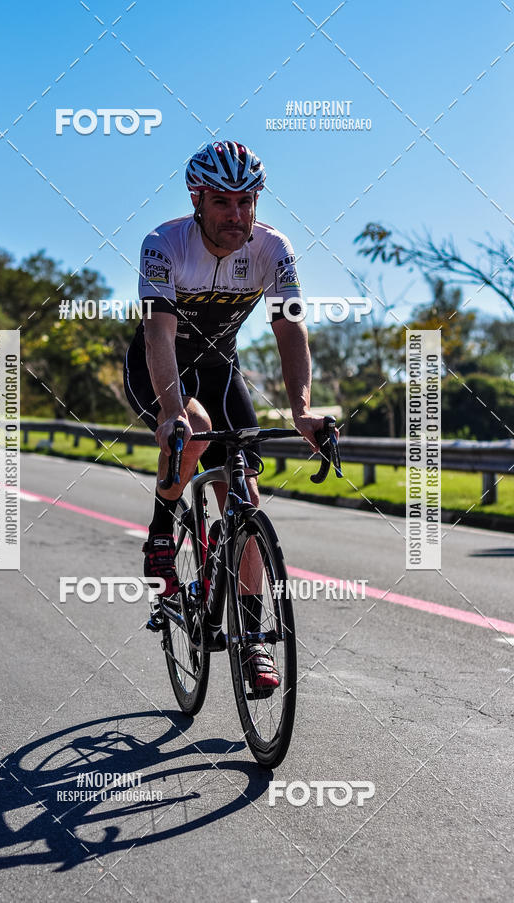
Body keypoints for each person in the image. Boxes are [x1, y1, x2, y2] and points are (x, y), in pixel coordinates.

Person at [124, 140, 327, 691]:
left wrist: (302, 411)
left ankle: (252, 639)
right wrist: (171, 410)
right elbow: (159, 333)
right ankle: (161, 534)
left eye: (246, 202)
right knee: (195, 428)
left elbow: (289, 327)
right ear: (197, 200)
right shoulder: (163, 243)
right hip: (161, 365)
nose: (236, 215)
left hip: (219, 368)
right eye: (222, 202)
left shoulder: (273, 248)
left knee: (247, 501)